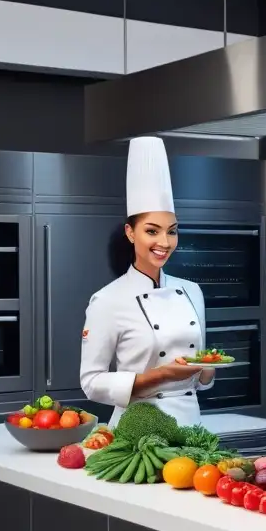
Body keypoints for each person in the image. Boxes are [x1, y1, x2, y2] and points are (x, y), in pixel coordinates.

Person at [80, 136, 214, 427]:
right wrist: (161, 375)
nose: (164, 242)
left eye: (172, 231)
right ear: (130, 233)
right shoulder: (107, 300)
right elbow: (91, 382)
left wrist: (207, 369)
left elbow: (202, 381)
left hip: (193, 428)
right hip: (136, 431)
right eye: (152, 231)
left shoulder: (192, 291)